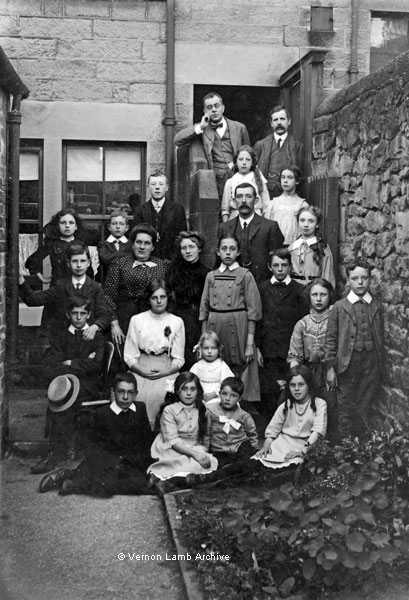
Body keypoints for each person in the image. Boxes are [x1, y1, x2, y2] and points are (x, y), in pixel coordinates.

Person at [38, 373, 153, 496]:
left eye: (130, 392)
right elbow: (93, 446)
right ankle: (69, 477)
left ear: (136, 394)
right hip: (107, 462)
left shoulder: (140, 408)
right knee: (105, 486)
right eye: (121, 392)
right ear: (113, 392)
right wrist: (109, 464)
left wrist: (143, 463)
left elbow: (146, 439)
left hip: (128, 463)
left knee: (139, 484)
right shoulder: (102, 414)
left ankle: (75, 481)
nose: (125, 397)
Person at [31, 295, 105, 475]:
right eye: (75, 313)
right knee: (60, 397)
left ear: (89, 315)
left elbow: (97, 364)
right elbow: (54, 363)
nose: (79, 318)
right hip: (66, 382)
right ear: (68, 315)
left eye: (83, 313)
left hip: (88, 385)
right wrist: (84, 362)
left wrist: (70, 362)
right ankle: (56, 451)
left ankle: (59, 452)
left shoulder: (96, 337)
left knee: (66, 401)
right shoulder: (62, 336)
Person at [324, 259, 386, 438]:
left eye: (364, 278)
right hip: (347, 365)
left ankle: (361, 446)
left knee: (365, 406)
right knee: (346, 407)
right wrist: (330, 368)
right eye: (355, 278)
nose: (360, 282)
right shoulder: (339, 307)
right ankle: (345, 446)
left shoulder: (376, 305)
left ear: (369, 279)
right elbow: (330, 339)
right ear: (348, 280)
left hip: (370, 364)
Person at [199, 233, 262, 403]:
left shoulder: (245, 275)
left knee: (239, 364)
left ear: (238, 252)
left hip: (239, 327)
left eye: (232, 249)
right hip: (215, 327)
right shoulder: (211, 276)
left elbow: (253, 312)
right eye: (224, 249)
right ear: (217, 252)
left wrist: (249, 343)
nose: (228, 252)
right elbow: (204, 310)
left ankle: (237, 405)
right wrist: (203, 339)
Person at [19, 241, 109, 343]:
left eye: (83, 261)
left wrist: (95, 327)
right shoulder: (60, 286)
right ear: (68, 263)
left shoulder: (96, 287)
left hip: (88, 341)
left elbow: (103, 315)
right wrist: (21, 280)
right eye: (74, 261)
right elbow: (33, 300)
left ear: (88, 263)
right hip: (64, 342)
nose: (79, 265)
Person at [124, 279, 185, 429]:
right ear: (148, 299)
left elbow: (178, 358)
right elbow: (130, 355)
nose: (159, 301)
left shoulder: (176, 321)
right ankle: (138, 434)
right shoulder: (137, 320)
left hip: (166, 366)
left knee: (160, 394)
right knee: (135, 392)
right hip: (141, 364)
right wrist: (142, 372)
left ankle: (158, 434)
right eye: (154, 297)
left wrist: (165, 372)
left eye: (162, 297)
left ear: (168, 298)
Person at [256, 249, 309, 417]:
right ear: (269, 267)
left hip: (290, 350)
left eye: (284, 265)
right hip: (267, 349)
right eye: (276, 265)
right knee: (268, 390)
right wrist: (257, 347)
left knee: (290, 387)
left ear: (290, 267)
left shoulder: (299, 290)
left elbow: (303, 321)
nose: (280, 269)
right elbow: (257, 320)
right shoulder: (261, 289)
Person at [147, 372, 218, 496]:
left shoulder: (203, 409)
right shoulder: (170, 410)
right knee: (185, 461)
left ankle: (171, 481)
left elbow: (206, 436)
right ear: (177, 391)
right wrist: (195, 454)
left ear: (198, 391)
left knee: (210, 462)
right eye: (184, 389)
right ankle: (162, 478)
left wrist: (202, 451)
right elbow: (173, 441)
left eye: (192, 389)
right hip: (171, 447)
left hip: (194, 447)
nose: (189, 393)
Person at [174, 92, 250, 200]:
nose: (214, 110)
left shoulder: (240, 128)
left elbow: (248, 153)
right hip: (215, 180)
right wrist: (201, 127)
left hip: (238, 177)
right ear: (205, 111)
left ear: (223, 108)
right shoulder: (203, 128)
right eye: (209, 107)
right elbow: (177, 140)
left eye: (216, 106)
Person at [288, 277, 338, 441]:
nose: (318, 299)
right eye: (314, 294)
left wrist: (332, 370)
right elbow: (294, 355)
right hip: (308, 371)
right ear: (308, 297)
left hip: (330, 370)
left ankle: (329, 444)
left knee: (330, 402)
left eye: (323, 295)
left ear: (329, 296)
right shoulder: (302, 324)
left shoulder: (335, 321)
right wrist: (296, 377)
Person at [103, 224, 170, 344]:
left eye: (147, 243)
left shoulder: (162, 265)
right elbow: (108, 296)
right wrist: (114, 324)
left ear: (153, 247)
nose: (142, 247)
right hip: (125, 319)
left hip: (154, 320)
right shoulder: (119, 264)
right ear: (132, 244)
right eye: (138, 242)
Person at [253, 365, 327, 469]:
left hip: (305, 446)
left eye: (301, 385)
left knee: (293, 467)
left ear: (309, 385)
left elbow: (317, 432)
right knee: (259, 463)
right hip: (282, 444)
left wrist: (301, 452)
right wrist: (266, 445)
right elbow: (273, 428)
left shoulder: (319, 404)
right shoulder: (286, 404)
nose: (296, 389)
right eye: (292, 385)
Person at [218, 183, 284, 284]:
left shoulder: (270, 227)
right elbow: (219, 262)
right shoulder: (225, 228)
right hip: (232, 286)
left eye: (248, 196)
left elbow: (278, 262)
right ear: (234, 202)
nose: (243, 200)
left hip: (261, 285)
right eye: (239, 196)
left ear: (256, 200)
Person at [166, 231, 210, 369]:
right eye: (183, 248)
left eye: (191, 247)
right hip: (178, 317)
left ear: (199, 249)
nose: (187, 251)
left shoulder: (206, 273)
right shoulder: (173, 271)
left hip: (197, 320)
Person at [202, 377, 259, 476]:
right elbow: (207, 433)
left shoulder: (244, 416)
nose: (227, 398)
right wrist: (205, 452)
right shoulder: (211, 411)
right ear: (219, 394)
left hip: (239, 447)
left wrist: (254, 449)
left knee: (248, 460)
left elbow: (252, 435)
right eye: (224, 394)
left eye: (233, 396)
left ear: (240, 398)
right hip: (219, 450)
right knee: (218, 466)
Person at [25, 208, 91, 286]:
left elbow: (89, 271)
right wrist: (43, 279)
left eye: (71, 223)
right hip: (58, 288)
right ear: (58, 226)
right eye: (63, 223)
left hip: (77, 288)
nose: (67, 226)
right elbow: (32, 262)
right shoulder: (52, 244)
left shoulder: (81, 245)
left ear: (76, 226)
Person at [254, 105, 304, 199]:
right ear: (271, 123)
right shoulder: (260, 145)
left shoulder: (298, 146)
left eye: (282, 119)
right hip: (266, 194)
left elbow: (300, 175)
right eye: (275, 120)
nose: (279, 122)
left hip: (288, 196)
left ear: (289, 121)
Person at [133, 172, 187, 260]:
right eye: (153, 184)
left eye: (161, 184)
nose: (157, 187)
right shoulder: (139, 210)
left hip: (170, 258)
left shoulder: (177, 209)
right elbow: (135, 236)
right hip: (146, 259)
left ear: (167, 187)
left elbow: (182, 236)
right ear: (148, 187)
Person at [288, 205, 335, 288]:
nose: (306, 225)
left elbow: (328, 277)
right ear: (298, 223)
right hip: (295, 290)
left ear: (317, 224)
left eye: (311, 221)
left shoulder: (323, 248)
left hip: (315, 290)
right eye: (302, 220)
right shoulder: (292, 248)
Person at [221, 145, 270, 222]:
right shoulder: (230, 182)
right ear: (236, 162)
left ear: (252, 163)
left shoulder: (259, 180)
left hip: (256, 220)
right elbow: (225, 209)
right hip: (235, 219)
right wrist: (226, 226)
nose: (244, 163)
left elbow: (266, 206)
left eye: (248, 160)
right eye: (240, 159)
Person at [266, 166, 308, 245]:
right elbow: (266, 229)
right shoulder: (273, 204)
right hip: (275, 247)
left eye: (290, 177)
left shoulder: (302, 204)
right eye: (283, 177)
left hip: (295, 246)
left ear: (297, 181)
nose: (285, 181)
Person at [190, 331, 234, 403]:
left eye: (213, 348)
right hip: (200, 397)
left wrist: (214, 394)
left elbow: (227, 384)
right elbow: (190, 382)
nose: (209, 351)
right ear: (200, 349)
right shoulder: (197, 366)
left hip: (218, 398)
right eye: (206, 348)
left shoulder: (222, 366)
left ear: (218, 350)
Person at [97, 210, 132, 281]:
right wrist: (125, 255)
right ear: (109, 227)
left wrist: (113, 255)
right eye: (114, 224)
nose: (118, 227)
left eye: (121, 224)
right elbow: (105, 259)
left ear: (127, 228)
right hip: (108, 282)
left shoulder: (131, 245)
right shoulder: (103, 244)